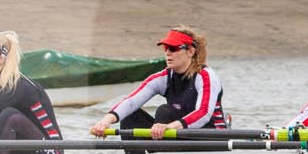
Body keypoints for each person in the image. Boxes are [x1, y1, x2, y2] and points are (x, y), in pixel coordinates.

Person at [92, 26, 227, 140]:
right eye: (166, 48)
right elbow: (131, 101)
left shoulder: (205, 76)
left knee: (165, 111)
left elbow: (203, 113)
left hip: (212, 141)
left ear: (191, 51)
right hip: (180, 137)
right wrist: (104, 122)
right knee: (130, 116)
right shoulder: (163, 77)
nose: (168, 53)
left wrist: (170, 126)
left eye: (173, 48)